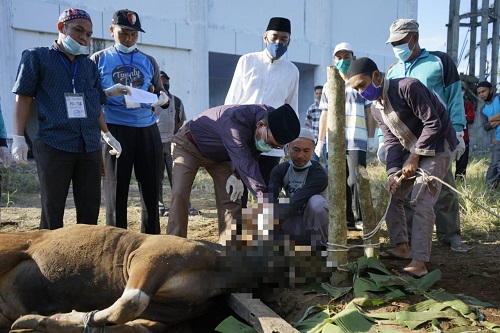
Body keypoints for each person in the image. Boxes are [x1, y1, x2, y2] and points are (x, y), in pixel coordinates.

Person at [11, 8, 123, 230]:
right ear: (62, 28)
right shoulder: (36, 57)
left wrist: (106, 133)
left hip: (88, 145)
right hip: (54, 143)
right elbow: (23, 97)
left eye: (89, 34)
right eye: (78, 30)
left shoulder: (88, 65)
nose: (84, 37)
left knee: (90, 210)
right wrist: (17, 137)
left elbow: (95, 103)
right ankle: (50, 261)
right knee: (53, 209)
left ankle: (85, 259)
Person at [347, 57, 457, 278]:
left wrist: (415, 157)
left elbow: (433, 123)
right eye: (356, 88)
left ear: (376, 76)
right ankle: (401, 246)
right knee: (393, 194)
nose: (361, 92)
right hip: (412, 150)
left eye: (362, 85)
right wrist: (392, 172)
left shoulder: (407, 87)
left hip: (439, 145)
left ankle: (419, 262)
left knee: (421, 198)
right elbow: (392, 142)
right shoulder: (377, 109)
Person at [385, 19, 468, 253]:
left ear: (414, 38)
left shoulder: (440, 61)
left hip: (438, 134)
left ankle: (450, 236)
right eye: (393, 43)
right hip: (408, 138)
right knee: (411, 187)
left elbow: (454, 96)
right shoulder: (393, 69)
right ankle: (414, 237)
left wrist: (458, 129)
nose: (397, 47)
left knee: (444, 188)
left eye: (401, 42)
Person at [166, 104, 300, 243]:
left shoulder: (271, 118)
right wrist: (269, 205)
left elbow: (250, 153)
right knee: (180, 193)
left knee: (231, 198)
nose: (268, 147)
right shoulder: (236, 121)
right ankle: (174, 243)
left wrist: (236, 175)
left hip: (221, 156)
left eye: (274, 146)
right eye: (268, 142)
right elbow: (246, 162)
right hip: (188, 145)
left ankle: (229, 249)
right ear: (260, 124)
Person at [90, 9, 169, 234]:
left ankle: (151, 239)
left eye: (134, 34)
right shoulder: (99, 59)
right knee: (116, 189)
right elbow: (90, 95)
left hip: (147, 129)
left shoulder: (149, 60)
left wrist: (162, 100)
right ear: (112, 31)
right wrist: (107, 94)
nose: (129, 39)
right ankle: (116, 241)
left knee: (152, 188)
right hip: (115, 129)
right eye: (124, 33)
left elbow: (162, 95)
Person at [225, 17, 299, 208]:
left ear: (289, 41)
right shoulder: (247, 61)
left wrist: (289, 141)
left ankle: (264, 235)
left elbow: (291, 107)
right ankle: (236, 234)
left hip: (271, 141)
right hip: (243, 134)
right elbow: (232, 100)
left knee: (266, 191)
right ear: (265, 37)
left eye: (284, 39)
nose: (278, 42)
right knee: (236, 188)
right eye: (275, 37)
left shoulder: (292, 71)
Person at [315, 42, 376, 230]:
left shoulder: (360, 82)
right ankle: (346, 218)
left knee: (357, 179)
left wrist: (372, 136)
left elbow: (370, 111)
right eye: (339, 57)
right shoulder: (329, 86)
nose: (342, 60)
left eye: (346, 56)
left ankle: (361, 218)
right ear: (334, 60)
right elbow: (325, 114)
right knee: (338, 179)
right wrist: (321, 140)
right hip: (335, 140)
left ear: (353, 57)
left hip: (357, 138)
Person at [266, 128, 328, 248]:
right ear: (288, 147)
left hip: (315, 224)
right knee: (264, 208)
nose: (300, 156)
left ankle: (320, 249)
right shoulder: (280, 170)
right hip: (293, 221)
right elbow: (270, 197)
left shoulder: (319, 174)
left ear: (313, 150)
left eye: (306, 151)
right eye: (296, 150)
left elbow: (297, 200)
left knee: (317, 202)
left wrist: (272, 221)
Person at [478, 81, 500, 187]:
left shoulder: (499, 98)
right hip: (499, 139)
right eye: (479, 93)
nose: (482, 94)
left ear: (491, 90)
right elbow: (486, 127)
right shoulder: (483, 110)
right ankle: (488, 190)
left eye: (484, 91)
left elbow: (488, 123)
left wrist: (491, 119)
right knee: (495, 165)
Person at [455, 85, 476, 180]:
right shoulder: (449, 104)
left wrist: (457, 118)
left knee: (462, 164)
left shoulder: (467, 105)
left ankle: (459, 182)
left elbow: (471, 118)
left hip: (464, 138)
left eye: (461, 90)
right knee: (444, 163)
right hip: (448, 139)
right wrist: (463, 117)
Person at [305, 85, 324, 162]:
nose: (319, 95)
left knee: (328, 162)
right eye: (317, 93)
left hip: (325, 138)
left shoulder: (328, 107)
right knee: (314, 161)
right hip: (314, 137)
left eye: (321, 93)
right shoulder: (311, 108)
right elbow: (308, 121)